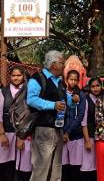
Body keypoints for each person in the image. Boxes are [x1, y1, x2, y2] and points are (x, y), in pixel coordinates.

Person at [27, 50, 79, 181]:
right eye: (62, 63)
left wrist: (72, 100)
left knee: (56, 168)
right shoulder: (37, 79)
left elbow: (64, 100)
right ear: (54, 65)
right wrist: (52, 105)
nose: (64, 66)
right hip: (43, 129)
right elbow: (31, 99)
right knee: (41, 168)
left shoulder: (60, 82)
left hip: (58, 129)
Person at [0, 67, 32, 181]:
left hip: (24, 135)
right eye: (13, 75)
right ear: (10, 77)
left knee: (23, 167)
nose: (16, 78)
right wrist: (1, 134)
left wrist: (22, 136)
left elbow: (30, 115)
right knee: (5, 164)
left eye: (19, 75)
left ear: (23, 76)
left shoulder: (29, 91)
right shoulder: (3, 91)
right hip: (7, 134)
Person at [62, 70, 86, 181]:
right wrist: (62, 132)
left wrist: (68, 132)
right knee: (63, 166)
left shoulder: (81, 95)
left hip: (75, 135)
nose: (73, 81)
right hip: (61, 135)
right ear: (66, 80)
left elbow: (80, 115)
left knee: (75, 167)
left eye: (75, 79)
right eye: (71, 79)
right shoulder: (61, 93)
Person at [81, 77, 102, 181]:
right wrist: (87, 140)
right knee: (88, 167)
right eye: (93, 86)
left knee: (99, 167)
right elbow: (83, 122)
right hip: (90, 137)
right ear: (89, 88)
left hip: (101, 139)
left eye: (97, 85)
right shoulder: (86, 100)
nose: (95, 88)